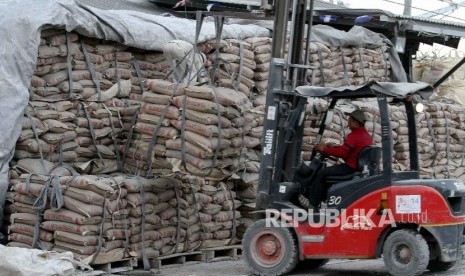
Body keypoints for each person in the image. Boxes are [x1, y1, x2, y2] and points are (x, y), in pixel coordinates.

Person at [299, 109, 373, 210]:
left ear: (356, 122)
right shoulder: (366, 135)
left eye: (350, 120)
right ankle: (321, 198)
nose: (348, 122)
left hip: (350, 167)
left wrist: (324, 149)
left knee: (321, 174)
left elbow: (342, 153)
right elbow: (348, 150)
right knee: (326, 175)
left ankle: (313, 204)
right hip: (356, 166)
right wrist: (332, 147)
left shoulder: (354, 135)